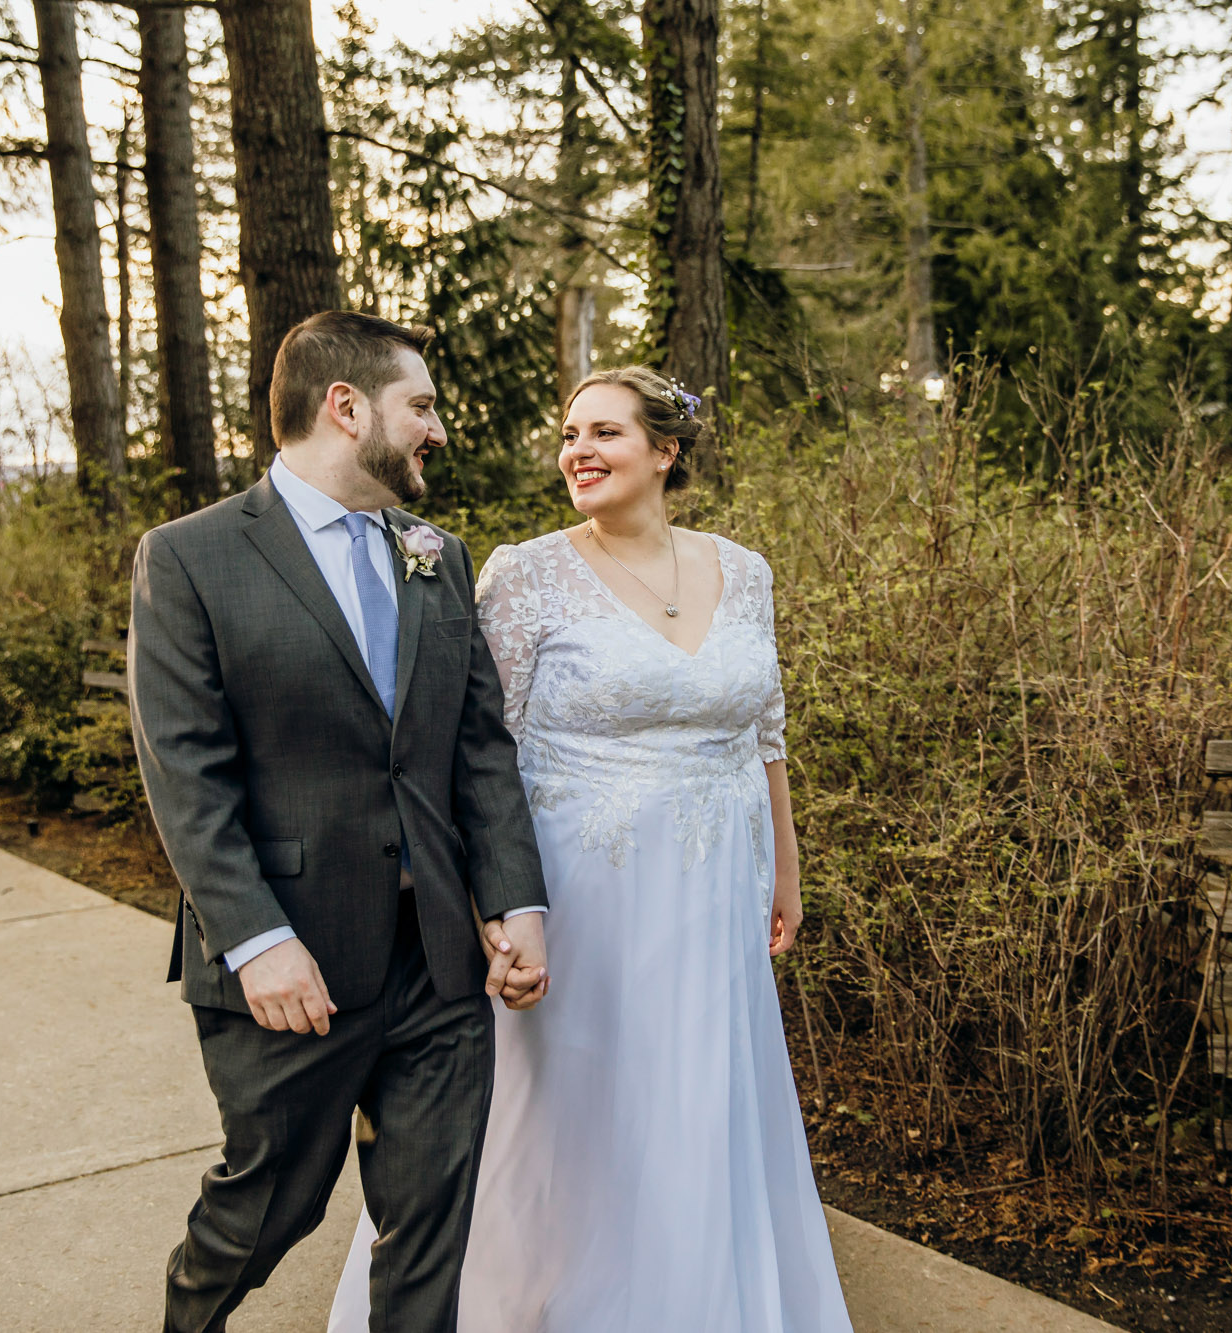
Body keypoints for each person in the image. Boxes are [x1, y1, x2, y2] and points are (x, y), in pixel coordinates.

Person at [328, 366, 853, 1332]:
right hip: (580, 891)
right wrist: (496, 902)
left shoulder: (745, 569)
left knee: (699, 1097)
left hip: (716, 886)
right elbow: (478, 752)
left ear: (667, 450)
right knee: (564, 1108)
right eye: (570, 434)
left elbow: (764, 730)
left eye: (605, 432)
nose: (579, 450)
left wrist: (786, 862)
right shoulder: (524, 573)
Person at [128, 310, 552, 1333]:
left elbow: (476, 748)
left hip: (440, 963)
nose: (437, 429)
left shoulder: (436, 556)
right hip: (291, 962)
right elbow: (184, 769)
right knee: (263, 1210)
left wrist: (516, 898)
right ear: (346, 407)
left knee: (427, 1228)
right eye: (422, 406)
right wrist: (258, 940)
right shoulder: (188, 558)